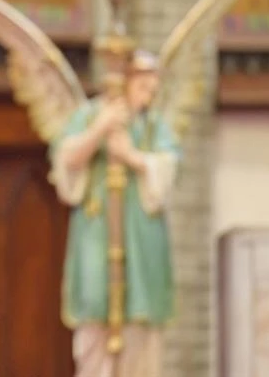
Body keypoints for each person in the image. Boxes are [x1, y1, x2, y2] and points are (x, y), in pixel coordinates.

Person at [48, 50, 180, 377]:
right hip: (97, 231)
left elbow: (169, 166)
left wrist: (133, 157)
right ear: (125, 81)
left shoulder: (152, 125)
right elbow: (64, 161)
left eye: (153, 89)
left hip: (141, 237)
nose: (149, 94)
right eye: (144, 86)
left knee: (141, 333)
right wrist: (100, 130)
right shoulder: (89, 115)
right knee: (94, 327)